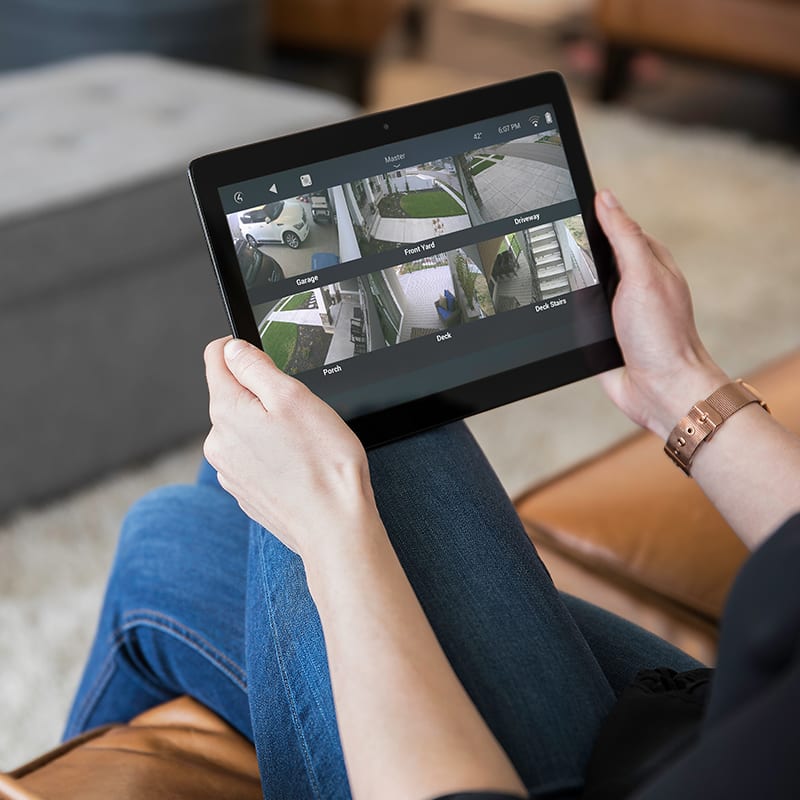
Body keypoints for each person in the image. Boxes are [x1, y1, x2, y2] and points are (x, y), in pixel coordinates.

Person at [64, 191, 800, 800]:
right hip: (713, 724)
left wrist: (333, 529)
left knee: (169, 536)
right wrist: (679, 379)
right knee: (268, 460)